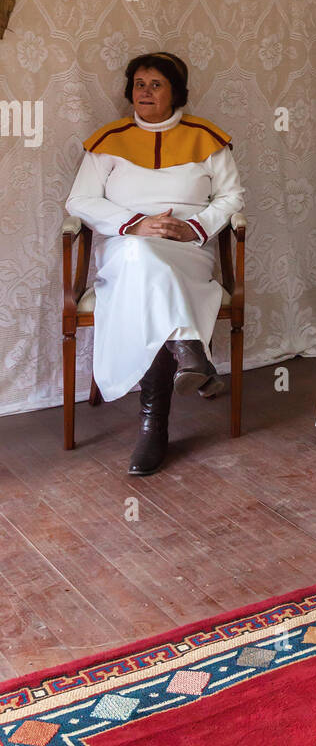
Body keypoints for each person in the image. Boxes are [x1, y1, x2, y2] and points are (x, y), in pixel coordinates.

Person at [66, 51, 244, 476]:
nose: (144, 92)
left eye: (155, 84)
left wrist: (196, 228)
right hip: (125, 247)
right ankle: (189, 353)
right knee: (138, 255)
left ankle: (155, 425)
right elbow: (79, 201)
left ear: (176, 92)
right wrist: (135, 224)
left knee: (150, 272)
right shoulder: (107, 140)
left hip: (185, 250)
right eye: (139, 84)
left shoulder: (207, 138)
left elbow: (232, 198)